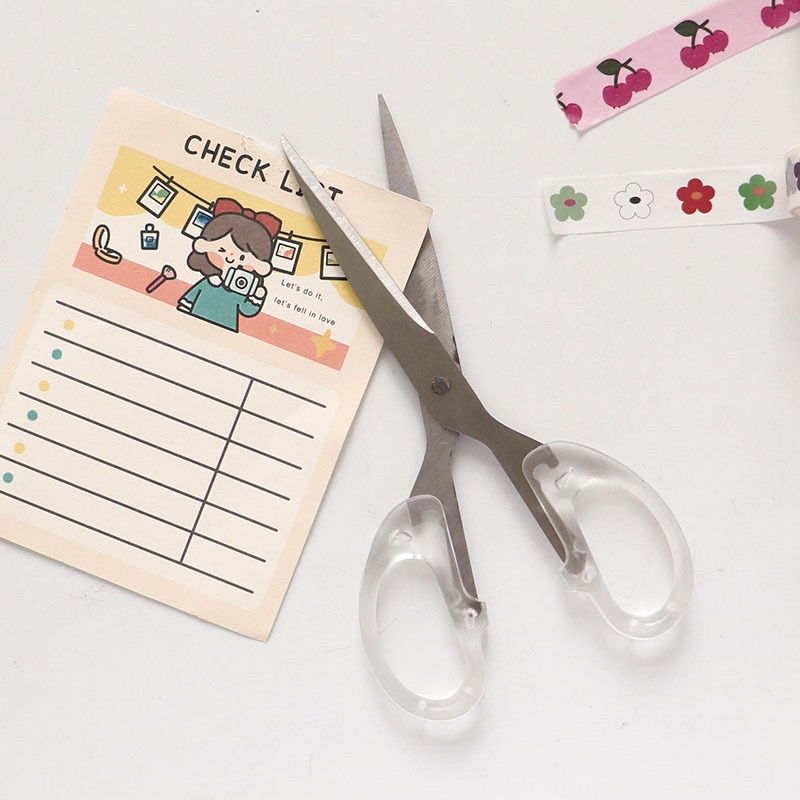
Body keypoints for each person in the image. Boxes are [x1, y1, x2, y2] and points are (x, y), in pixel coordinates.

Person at [178, 197, 282, 332]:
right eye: (222, 250)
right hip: (192, 323)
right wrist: (182, 318)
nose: (230, 258)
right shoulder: (210, 281)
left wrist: (257, 296)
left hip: (225, 330)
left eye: (242, 257)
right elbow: (189, 299)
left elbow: (247, 310)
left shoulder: (240, 289)